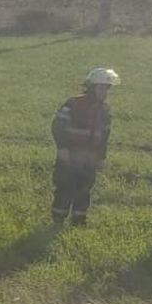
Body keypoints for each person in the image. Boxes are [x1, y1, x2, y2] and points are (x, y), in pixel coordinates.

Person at [50, 67, 118, 226]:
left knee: (85, 190)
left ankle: (79, 220)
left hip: (89, 159)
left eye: (107, 88)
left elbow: (104, 136)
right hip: (70, 156)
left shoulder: (105, 110)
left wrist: (101, 157)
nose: (104, 92)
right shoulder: (73, 104)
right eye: (101, 88)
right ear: (92, 87)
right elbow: (57, 126)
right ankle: (58, 220)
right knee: (64, 188)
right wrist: (62, 148)